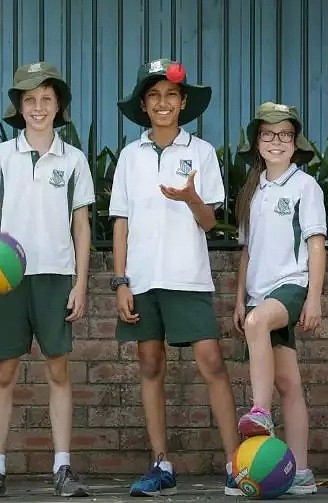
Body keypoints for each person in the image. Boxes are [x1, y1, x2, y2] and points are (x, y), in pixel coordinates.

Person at [109, 58, 241, 497]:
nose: (163, 103)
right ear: (144, 105)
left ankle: (235, 463)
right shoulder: (129, 156)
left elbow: (209, 223)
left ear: (183, 102)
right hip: (142, 280)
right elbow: (121, 223)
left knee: (213, 363)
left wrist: (190, 198)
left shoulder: (201, 152)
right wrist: (120, 280)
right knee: (149, 364)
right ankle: (161, 463)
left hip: (188, 277)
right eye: (154, 96)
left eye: (170, 95)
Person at [0, 61, 94, 499]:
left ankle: (63, 468)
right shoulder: (1, 157)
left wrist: (80, 283)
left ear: (59, 105)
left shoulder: (74, 159)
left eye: (46, 99)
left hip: (57, 276)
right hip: (9, 278)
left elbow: (82, 226)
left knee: (58, 370)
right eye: (29, 100)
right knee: (4, 371)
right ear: (18, 107)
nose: (38, 107)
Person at [233, 101, 326, 495]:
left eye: (284, 135)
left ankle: (259, 412)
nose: (276, 141)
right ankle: (301, 471)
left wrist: (314, 298)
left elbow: (317, 245)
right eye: (268, 134)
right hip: (256, 293)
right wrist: (239, 299)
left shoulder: (306, 186)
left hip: (290, 287)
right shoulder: (252, 191)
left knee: (258, 323)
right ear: (257, 142)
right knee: (289, 383)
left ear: (295, 142)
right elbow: (247, 251)